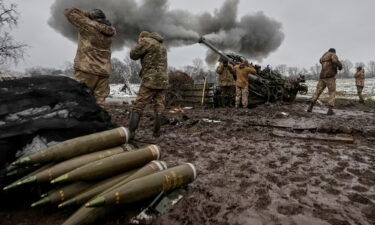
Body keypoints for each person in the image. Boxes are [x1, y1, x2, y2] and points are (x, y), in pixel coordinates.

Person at [64, 8, 116, 105]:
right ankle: (99, 120)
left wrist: (85, 14)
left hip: (87, 69)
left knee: (80, 100)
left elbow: (68, 12)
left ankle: (81, 120)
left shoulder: (88, 26)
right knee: (100, 103)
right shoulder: (111, 31)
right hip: (104, 71)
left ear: (92, 18)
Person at [128, 31, 168, 138]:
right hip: (163, 80)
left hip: (150, 79)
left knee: (138, 106)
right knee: (159, 107)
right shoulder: (162, 46)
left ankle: (130, 132)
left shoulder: (147, 42)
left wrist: (140, 43)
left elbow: (133, 55)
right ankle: (156, 133)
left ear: (142, 37)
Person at [307, 48, 342, 115]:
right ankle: (330, 110)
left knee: (317, 91)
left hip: (322, 77)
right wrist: (340, 66)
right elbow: (335, 61)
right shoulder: (333, 54)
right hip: (330, 76)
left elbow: (320, 61)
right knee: (332, 92)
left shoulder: (323, 56)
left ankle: (310, 107)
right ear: (334, 52)